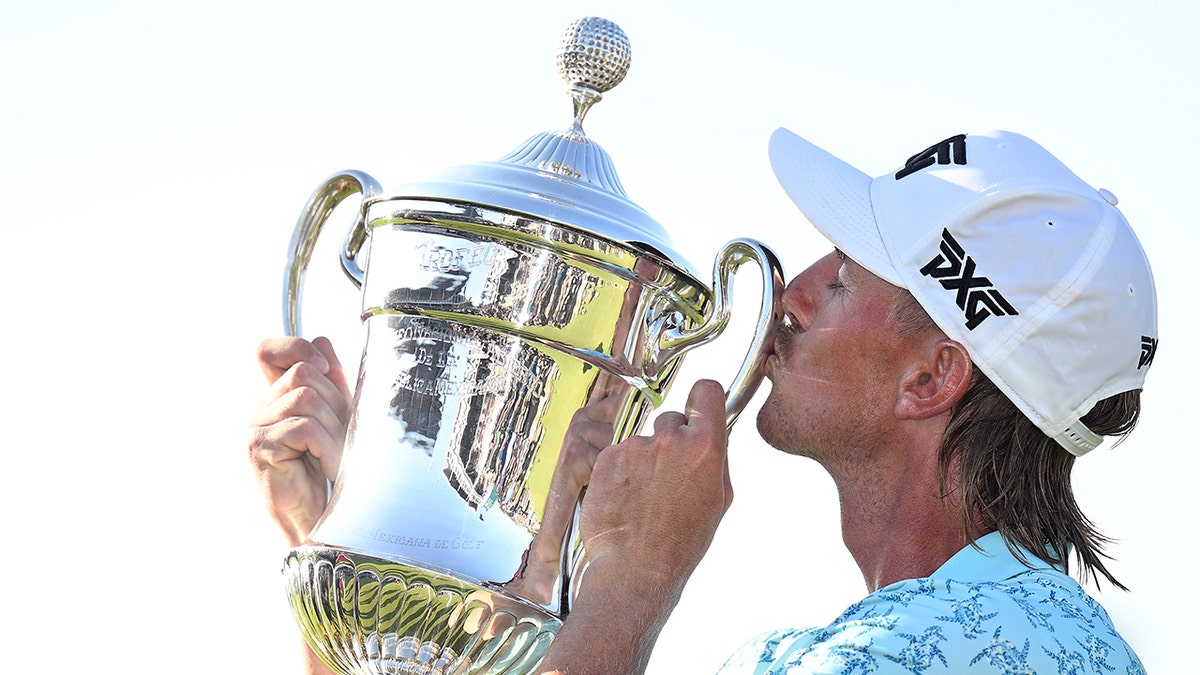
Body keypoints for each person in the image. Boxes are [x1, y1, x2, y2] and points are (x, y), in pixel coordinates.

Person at [249, 128, 1156, 674]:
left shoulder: (897, 655)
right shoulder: (1023, 634)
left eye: (839, 279)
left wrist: (632, 580)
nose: (790, 295)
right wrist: (349, 551)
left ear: (929, 378)